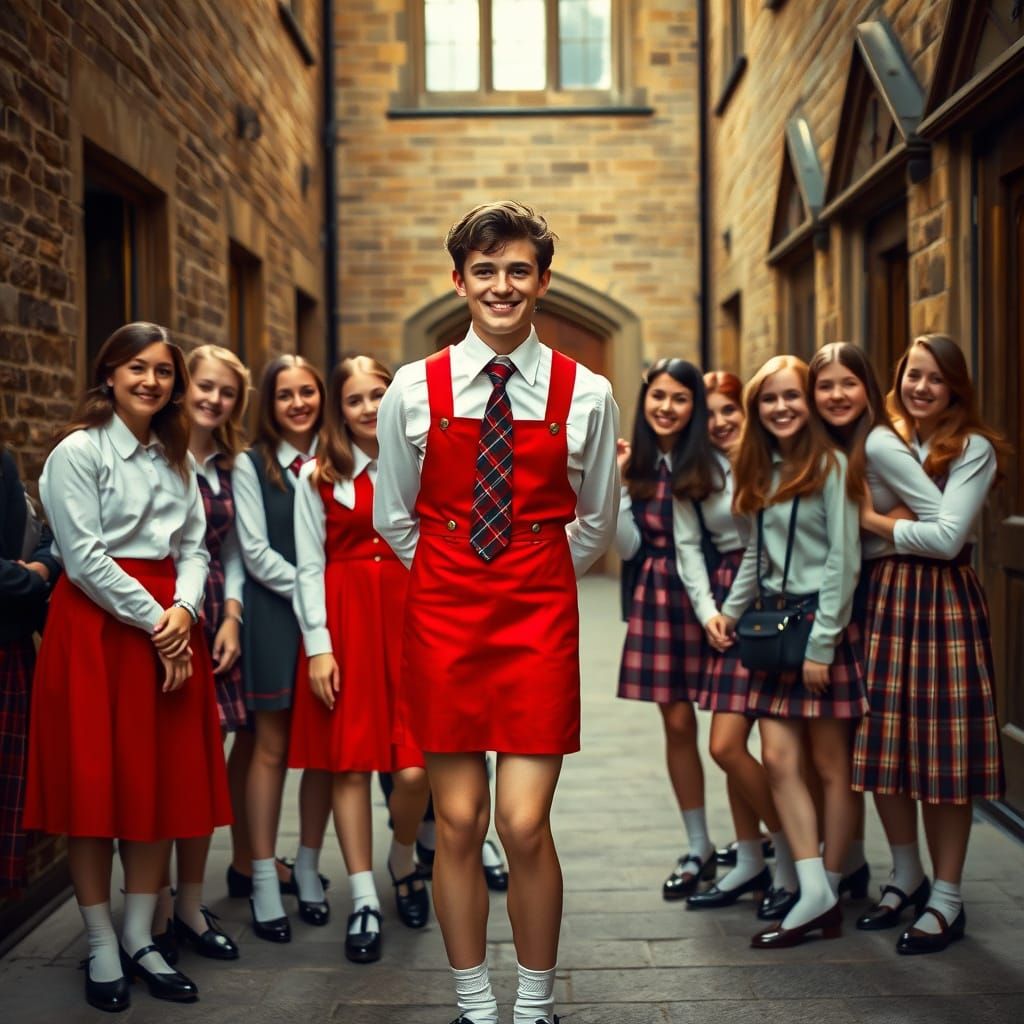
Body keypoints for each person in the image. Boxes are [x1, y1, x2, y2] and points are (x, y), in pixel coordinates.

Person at [374, 201, 619, 1024]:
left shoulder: (587, 393)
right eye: (485, 271)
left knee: (521, 823)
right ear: (459, 282)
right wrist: (453, 570)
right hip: (443, 613)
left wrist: (533, 571)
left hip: (537, 618)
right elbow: (392, 516)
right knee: (458, 819)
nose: (501, 285)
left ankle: (535, 1001)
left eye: (518, 270)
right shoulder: (413, 387)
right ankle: (476, 1000)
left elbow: (595, 520)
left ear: (542, 281)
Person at [23, 322, 231, 1011]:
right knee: (95, 795)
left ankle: (142, 935)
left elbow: (196, 546)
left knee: (158, 787)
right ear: (108, 373)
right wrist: (156, 624)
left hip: (167, 625)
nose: (151, 381)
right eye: (137, 368)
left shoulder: (176, 458)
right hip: (97, 633)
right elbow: (81, 560)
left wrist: (184, 613)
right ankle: (102, 942)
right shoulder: (77, 453)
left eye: (163, 372)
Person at [855, 334, 1008, 954]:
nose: (921, 388)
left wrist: (875, 520)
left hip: (945, 604)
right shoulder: (885, 439)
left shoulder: (975, 449)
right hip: (886, 599)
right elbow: (893, 543)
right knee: (886, 746)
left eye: (935, 380)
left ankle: (947, 897)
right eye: (912, 375)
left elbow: (948, 543)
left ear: (955, 389)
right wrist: (906, 533)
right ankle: (906, 876)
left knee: (945, 756)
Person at [708, 355, 865, 949]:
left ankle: (828, 883)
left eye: (791, 397)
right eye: (769, 399)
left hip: (820, 634)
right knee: (777, 758)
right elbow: (756, 554)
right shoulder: (761, 469)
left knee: (831, 768)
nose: (781, 408)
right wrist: (730, 604)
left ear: (810, 401)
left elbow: (841, 562)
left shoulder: (833, 466)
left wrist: (824, 644)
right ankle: (811, 885)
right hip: (775, 635)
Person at [291, 355, 432, 964]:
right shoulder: (317, 476)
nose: (370, 408)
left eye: (379, 394)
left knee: (416, 770)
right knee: (348, 765)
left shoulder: (422, 464)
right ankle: (366, 897)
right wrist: (319, 646)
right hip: (346, 627)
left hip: (414, 623)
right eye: (355, 399)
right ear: (338, 410)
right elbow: (307, 565)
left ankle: (402, 855)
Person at [672, 371, 798, 917]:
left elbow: (761, 549)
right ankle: (750, 858)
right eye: (713, 412)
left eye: (731, 411)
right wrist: (708, 612)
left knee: (733, 745)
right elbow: (687, 546)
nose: (722, 422)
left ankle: (795, 855)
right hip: (721, 610)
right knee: (726, 747)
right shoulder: (693, 466)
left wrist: (731, 608)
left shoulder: (766, 463)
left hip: (763, 604)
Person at [148, 344, 253, 965]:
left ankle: (190, 902)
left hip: (216, 615)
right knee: (163, 768)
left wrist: (233, 617)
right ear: (185, 389)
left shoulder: (229, 463)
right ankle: (152, 906)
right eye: (205, 387)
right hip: (162, 614)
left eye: (227, 392)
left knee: (202, 767)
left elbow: (234, 551)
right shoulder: (158, 454)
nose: (214, 399)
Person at [232, 355, 333, 942]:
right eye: (285, 395)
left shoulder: (336, 459)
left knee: (321, 744)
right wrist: (313, 583)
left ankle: (311, 867)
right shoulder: (253, 464)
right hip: (275, 613)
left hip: (329, 619)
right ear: (269, 405)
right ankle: (265, 877)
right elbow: (253, 547)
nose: (298, 403)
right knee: (270, 746)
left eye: (307, 392)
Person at [615, 358, 721, 900]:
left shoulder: (710, 457)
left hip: (718, 594)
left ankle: (764, 844)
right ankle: (699, 844)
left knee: (733, 732)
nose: (667, 408)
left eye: (680, 398)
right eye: (659, 396)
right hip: (657, 591)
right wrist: (610, 486)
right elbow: (628, 546)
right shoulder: (634, 463)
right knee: (678, 725)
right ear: (645, 399)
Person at [0, 448, 59, 897]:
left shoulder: (5, 461)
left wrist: (42, 566)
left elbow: (43, 532)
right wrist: (33, 582)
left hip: (12, 646)